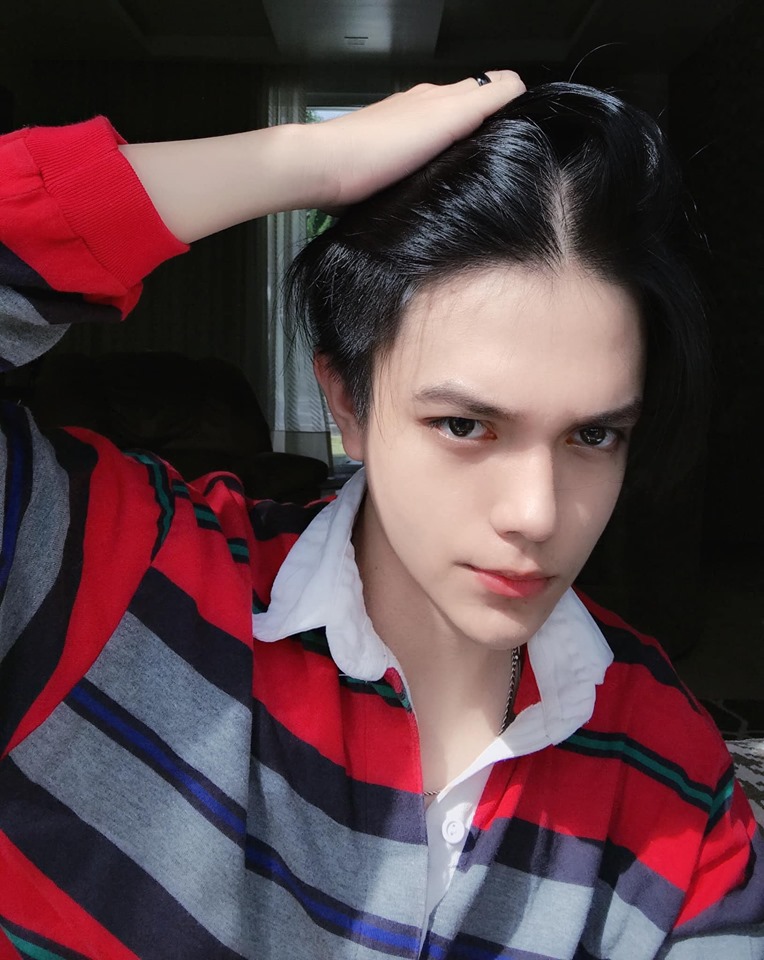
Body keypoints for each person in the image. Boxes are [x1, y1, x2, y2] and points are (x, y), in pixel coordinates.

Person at [0, 70, 760, 960]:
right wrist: (310, 159)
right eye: (465, 425)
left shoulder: (667, 759)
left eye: (593, 435)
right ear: (346, 404)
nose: (537, 512)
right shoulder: (112, 575)